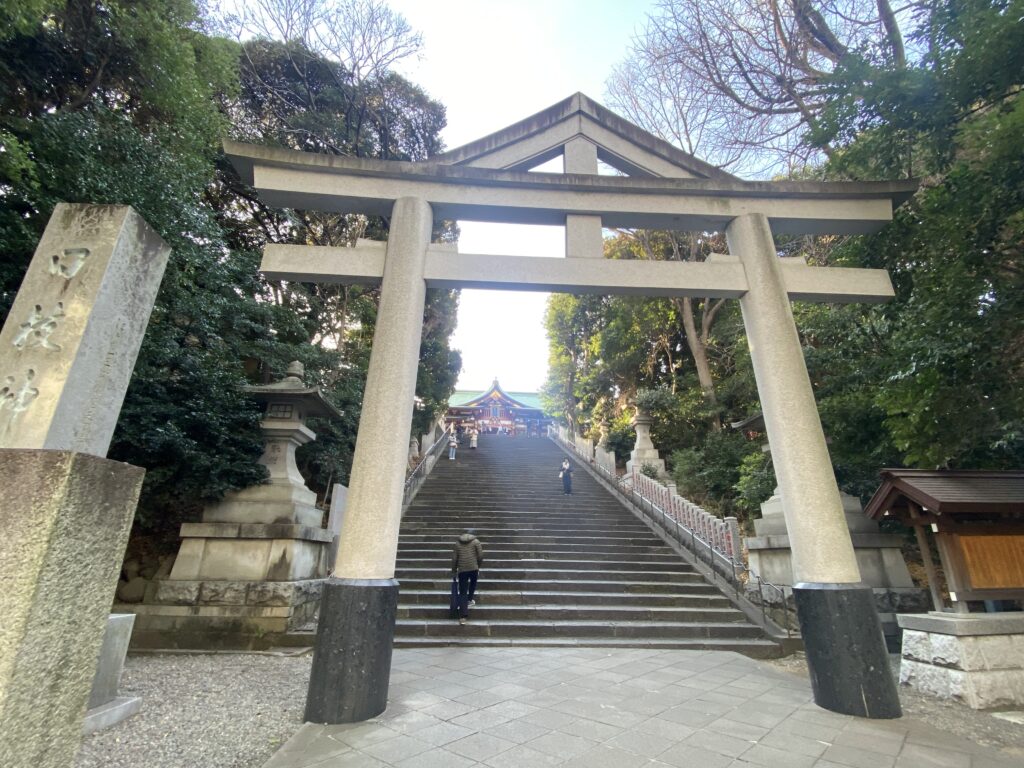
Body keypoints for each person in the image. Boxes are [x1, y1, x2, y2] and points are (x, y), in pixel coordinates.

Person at [451, 530, 483, 625]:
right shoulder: (476, 541)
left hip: (462, 569)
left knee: (463, 591)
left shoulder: (457, 543)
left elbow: (454, 558)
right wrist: (478, 566)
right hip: (473, 568)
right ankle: (470, 599)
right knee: (473, 583)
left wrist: (453, 570)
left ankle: (463, 617)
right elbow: (480, 555)